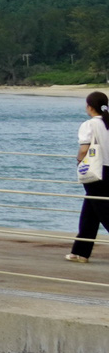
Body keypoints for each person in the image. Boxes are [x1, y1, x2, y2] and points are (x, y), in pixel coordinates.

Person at [69, 92, 109, 262]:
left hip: (96, 171)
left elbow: (84, 149)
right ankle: (80, 251)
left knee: (103, 211)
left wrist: (79, 161)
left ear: (90, 107)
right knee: (90, 211)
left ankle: (81, 252)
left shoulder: (89, 124)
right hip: (108, 170)